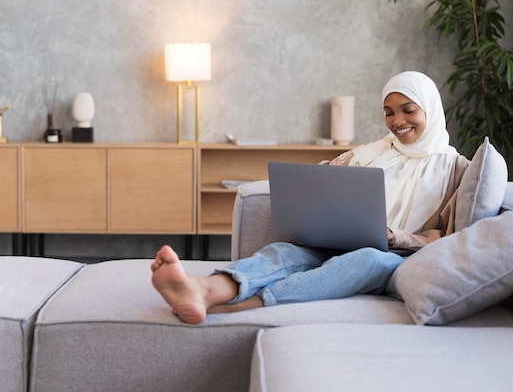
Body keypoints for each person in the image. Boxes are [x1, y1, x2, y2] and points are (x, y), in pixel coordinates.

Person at [151, 71, 469, 324]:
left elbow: (450, 238)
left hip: (396, 258)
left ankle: (246, 303)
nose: (397, 121)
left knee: (366, 259)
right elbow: (326, 178)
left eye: (408, 110)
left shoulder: (455, 168)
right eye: (388, 113)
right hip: (339, 242)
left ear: (431, 108)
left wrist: (398, 237)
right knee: (285, 252)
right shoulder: (373, 152)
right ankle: (207, 289)